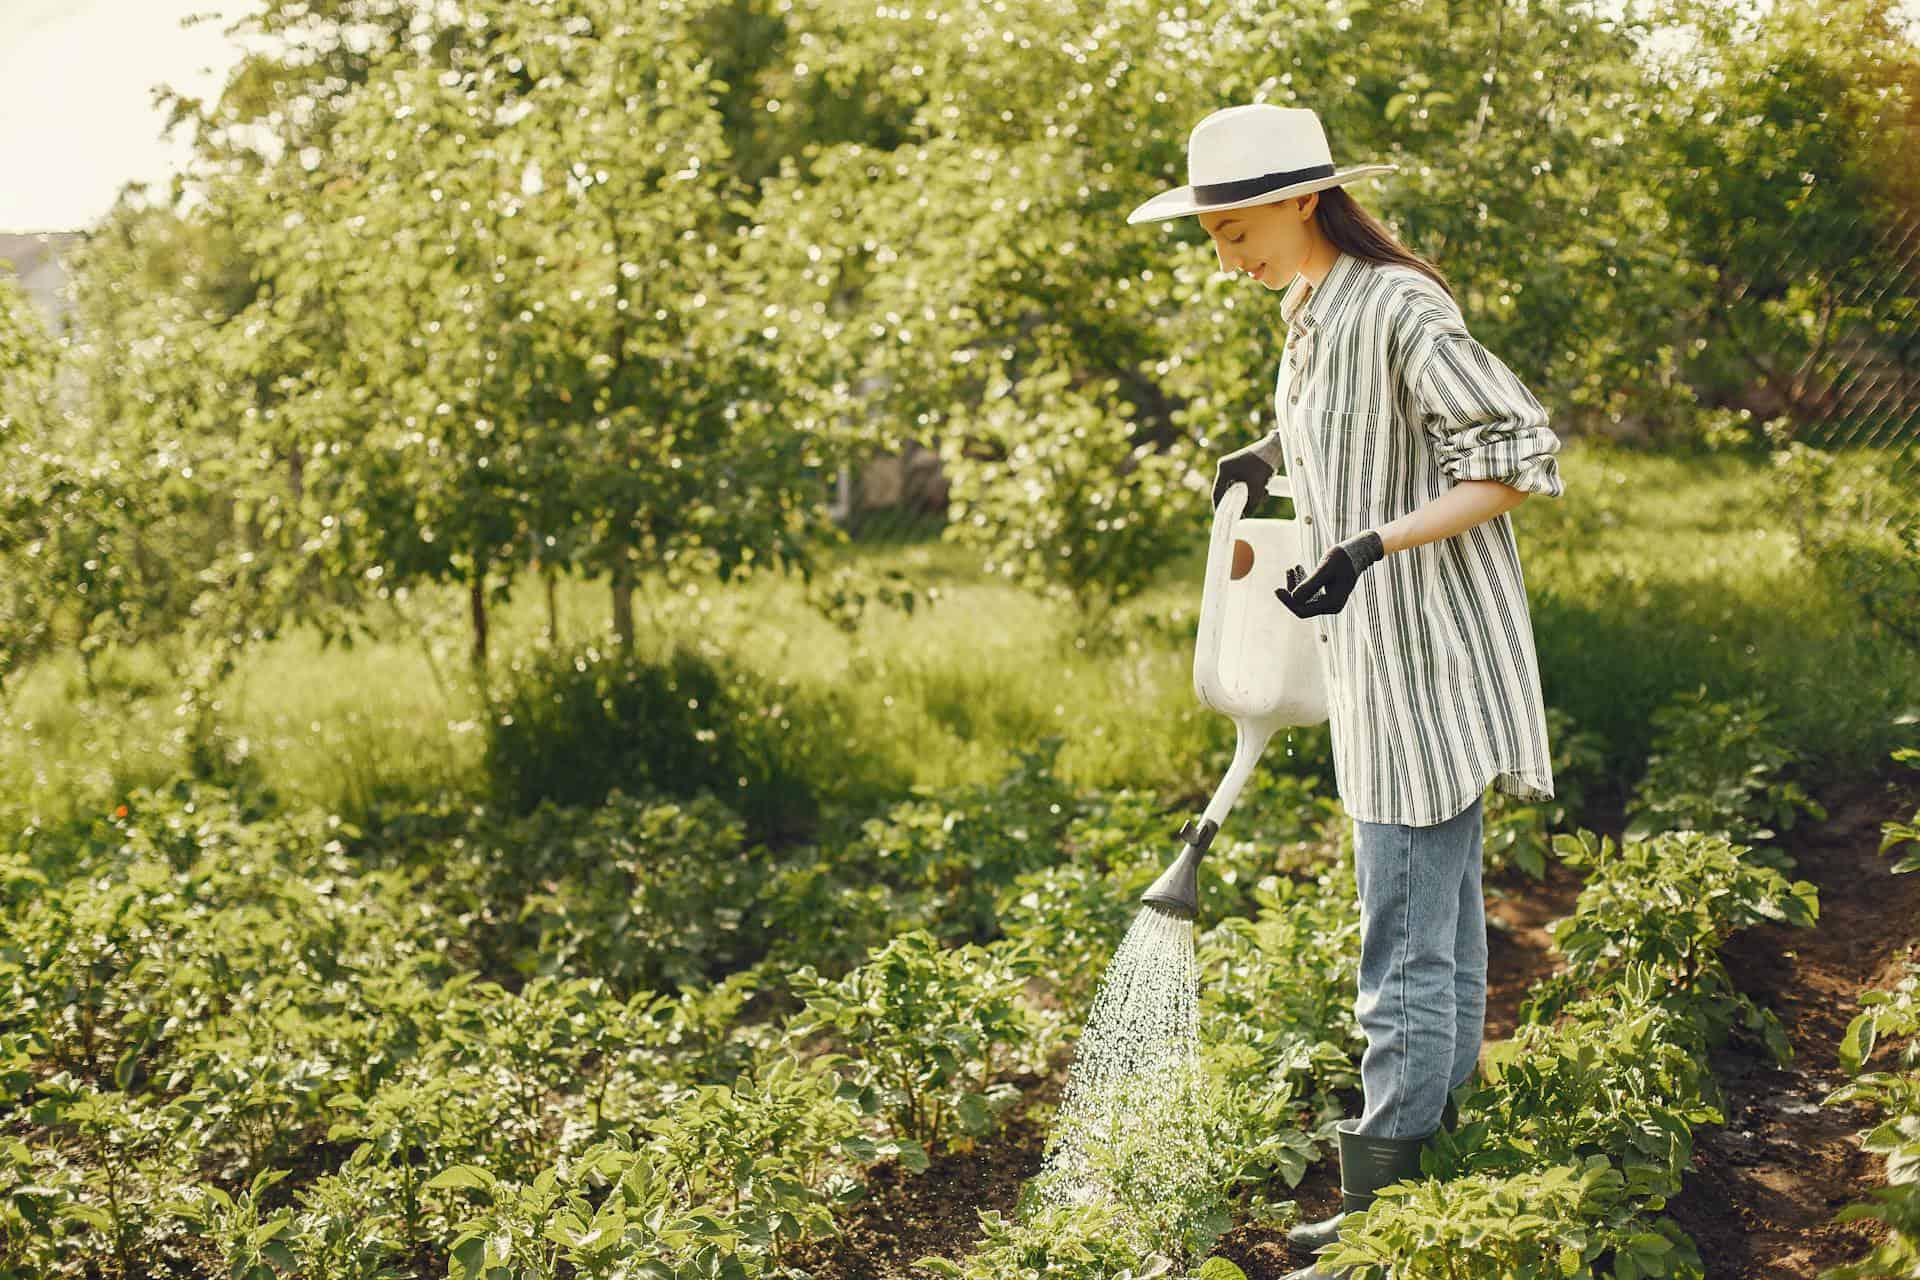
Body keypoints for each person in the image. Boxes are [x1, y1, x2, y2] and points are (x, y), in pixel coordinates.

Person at [1127, 104, 1566, 1278]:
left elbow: (1518, 454)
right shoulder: (1307, 311)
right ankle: (1438, 1167)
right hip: (1374, 660)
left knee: (1403, 943)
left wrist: (1371, 545)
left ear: (1305, 199)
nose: (1227, 250)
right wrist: (1266, 457)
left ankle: (1386, 1208)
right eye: (1212, 233)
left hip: (1426, 655)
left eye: (1238, 226)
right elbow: (1351, 430)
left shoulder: (1400, 306)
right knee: (1441, 922)